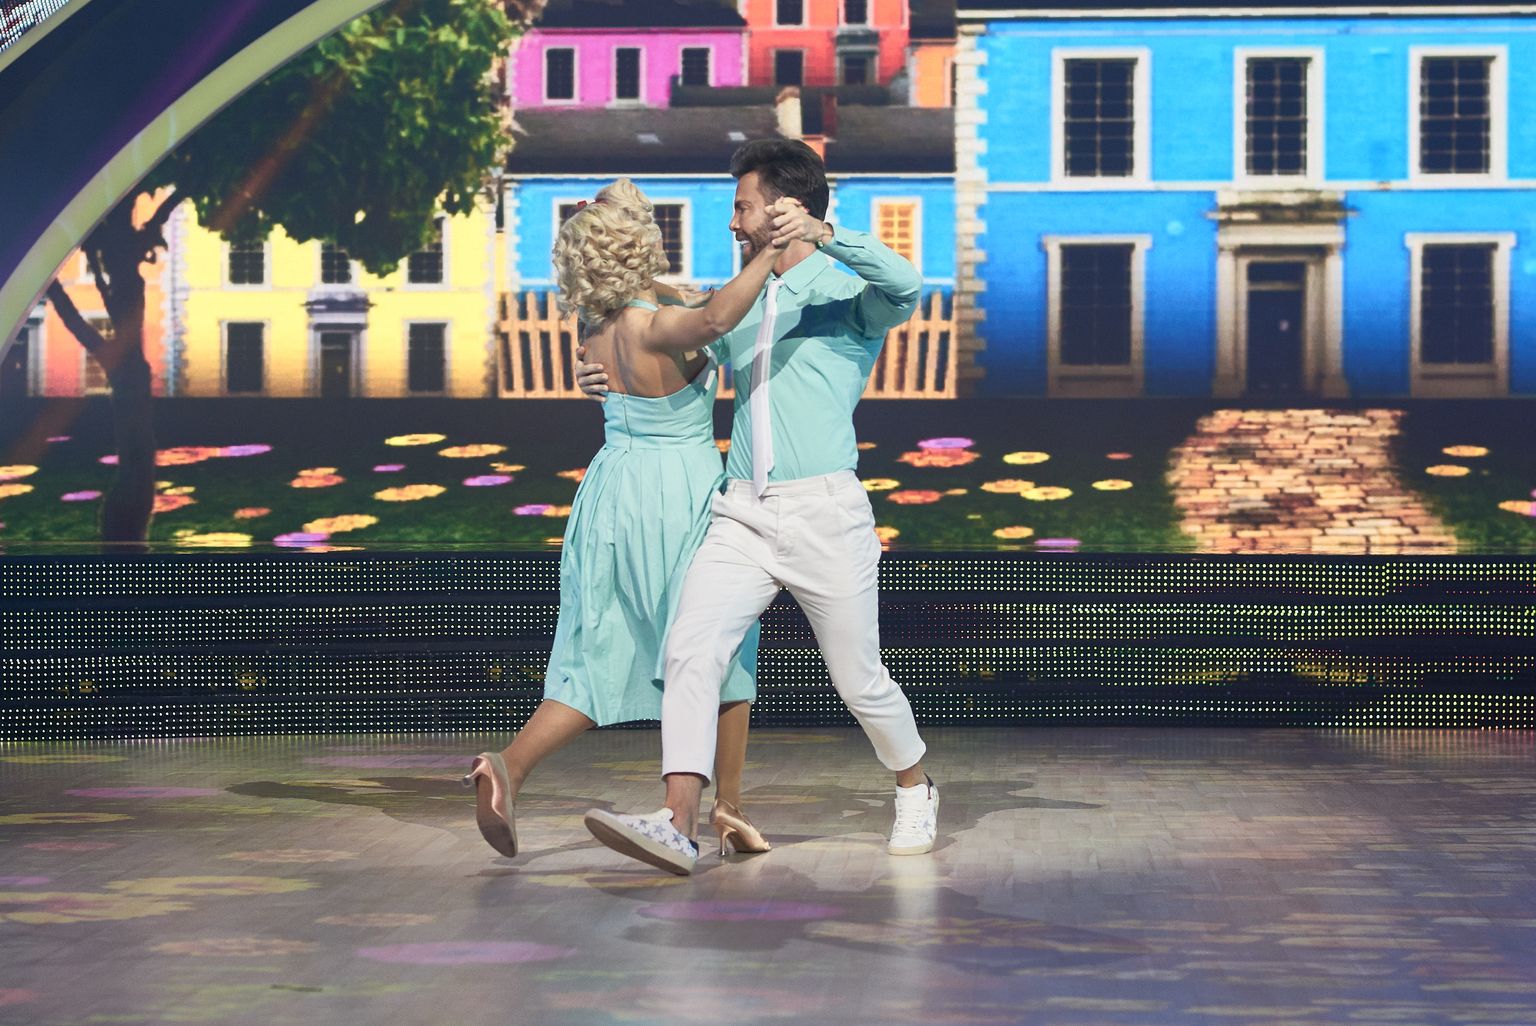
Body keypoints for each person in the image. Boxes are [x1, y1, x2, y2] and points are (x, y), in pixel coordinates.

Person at [578, 140, 939, 877]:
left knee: (858, 678)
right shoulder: (738, 298)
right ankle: (677, 823)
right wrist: (599, 371)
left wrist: (824, 234)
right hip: (741, 512)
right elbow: (672, 338)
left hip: (823, 512)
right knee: (690, 648)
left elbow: (907, 283)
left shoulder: (847, 296)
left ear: (783, 210)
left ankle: (914, 784)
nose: (733, 222)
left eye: (742, 207)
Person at [463, 177, 794, 860]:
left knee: (600, 651)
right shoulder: (659, 325)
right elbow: (712, 321)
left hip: (610, 490)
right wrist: (771, 251)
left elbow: (684, 304)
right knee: (720, 644)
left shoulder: (596, 324)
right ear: (642, 246)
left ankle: (509, 767)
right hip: (675, 494)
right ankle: (719, 808)